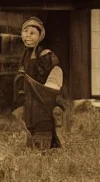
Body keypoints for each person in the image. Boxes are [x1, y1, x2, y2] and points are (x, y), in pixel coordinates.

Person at [15, 17, 64, 150]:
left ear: (40, 36)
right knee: (30, 135)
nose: (28, 36)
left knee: (43, 134)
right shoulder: (24, 56)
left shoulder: (45, 55)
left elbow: (55, 77)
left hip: (41, 103)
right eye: (25, 32)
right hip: (29, 102)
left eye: (32, 33)